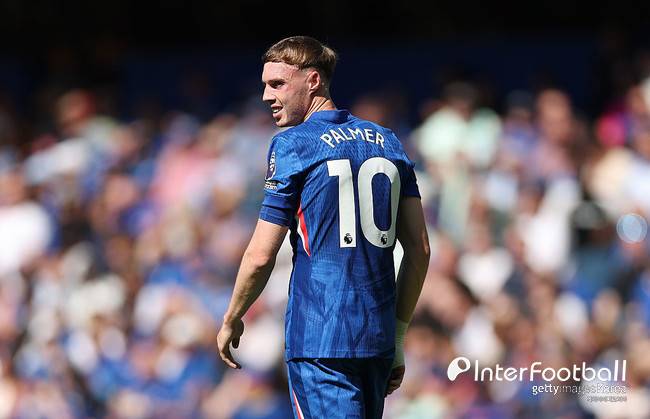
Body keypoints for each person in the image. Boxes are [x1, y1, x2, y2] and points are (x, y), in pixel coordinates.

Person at [216, 36, 430, 419]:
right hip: (377, 340)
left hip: (320, 339)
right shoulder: (389, 142)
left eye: (277, 84)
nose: (266, 96)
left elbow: (261, 254)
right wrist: (397, 339)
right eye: (265, 85)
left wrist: (232, 317)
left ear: (313, 80)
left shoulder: (294, 144)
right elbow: (420, 249)